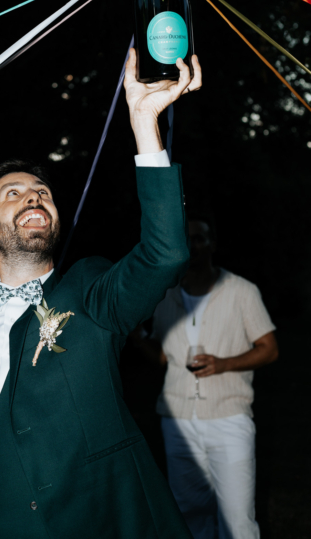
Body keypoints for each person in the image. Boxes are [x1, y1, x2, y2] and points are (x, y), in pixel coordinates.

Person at [0, 49, 202, 539]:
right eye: (14, 193)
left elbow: (165, 254)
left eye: (42, 191)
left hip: (92, 523)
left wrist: (143, 121)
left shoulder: (89, 289)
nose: (34, 195)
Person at [144, 213, 278, 539]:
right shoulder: (165, 295)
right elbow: (163, 357)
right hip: (177, 421)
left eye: (199, 238)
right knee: (189, 512)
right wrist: (136, 339)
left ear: (212, 244)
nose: (192, 246)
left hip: (228, 418)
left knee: (238, 520)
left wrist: (224, 364)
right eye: (186, 239)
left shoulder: (241, 291)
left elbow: (269, 349)